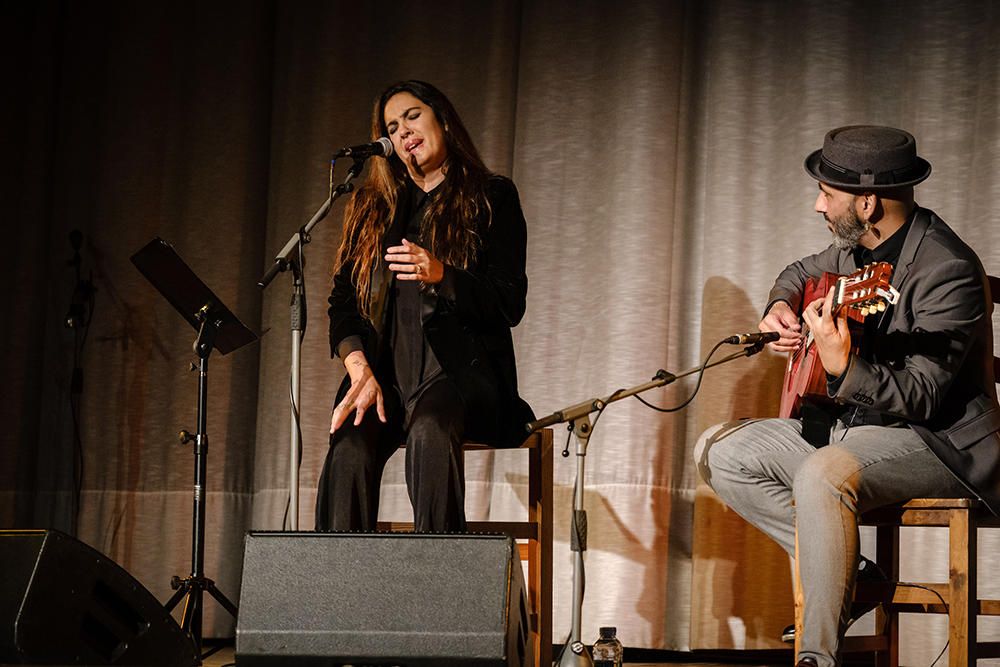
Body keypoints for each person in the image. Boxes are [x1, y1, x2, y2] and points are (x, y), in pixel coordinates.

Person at [694, 125, 1000, 667]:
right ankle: (853, 576)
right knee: (720, 451)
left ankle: (819, 656)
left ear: (867, 202)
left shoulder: (946, 269)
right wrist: (780, 306)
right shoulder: (857, 249)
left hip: (936, 444)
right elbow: (797, 272)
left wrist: (842, 365)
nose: (817, 205)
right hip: (853, 431)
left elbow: (925, 398)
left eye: (826, 194)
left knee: (824, 473)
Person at [315, 80, 535, 533]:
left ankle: (435, 591)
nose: (404, 132)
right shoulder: (372, 208)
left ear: (443, 119)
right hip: (382, 374)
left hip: (455, 375)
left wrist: (442, 275)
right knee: (349, 450)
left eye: (412, 116)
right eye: (392, 127)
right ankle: (337, 595)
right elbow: (343, 302)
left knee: (430, 433)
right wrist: (358, 368)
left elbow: (508, 302)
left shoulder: (491, 196)